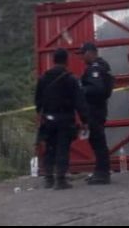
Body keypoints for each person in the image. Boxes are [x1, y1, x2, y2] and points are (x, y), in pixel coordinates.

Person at [35, 48, 89, 190]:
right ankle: (60, 179)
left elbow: (38, 101)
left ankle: (48, 178)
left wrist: (41, 116)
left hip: (48, 118)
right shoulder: (71, 79)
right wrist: (85, 120)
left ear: (53, 60)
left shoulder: (43, 78)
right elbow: (79, 102)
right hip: (65, 118)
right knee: (62, 148)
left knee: (49, 147)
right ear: (66, 61)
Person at [78, 42, 115, 185]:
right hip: (96, 109)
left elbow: (97, 89)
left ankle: (102, 173)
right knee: (96, 141)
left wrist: (81, 89)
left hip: (95, 110)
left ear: (90, 52)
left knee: (98, 141)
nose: (81, 57)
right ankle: (100, 171)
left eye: (83, 54)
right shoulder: (100, 66)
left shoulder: (96, 68)